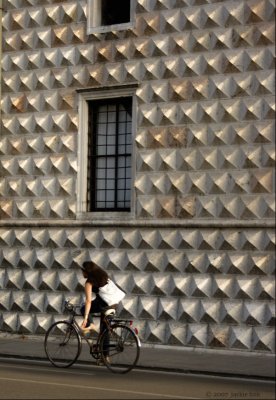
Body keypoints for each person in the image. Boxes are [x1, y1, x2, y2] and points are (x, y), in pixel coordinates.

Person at [80, 261, 125, 334]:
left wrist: (86, 318)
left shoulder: (89, 282)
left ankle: (91, 325)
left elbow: (88, 301)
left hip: (104, 305)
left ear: (87, 271)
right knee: (104, 331)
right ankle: (104, 344)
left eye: (82, 271)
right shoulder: (104, 275)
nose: (82, 273)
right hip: (114, 303)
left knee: (83, 309)